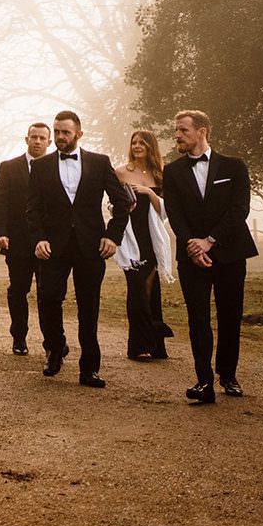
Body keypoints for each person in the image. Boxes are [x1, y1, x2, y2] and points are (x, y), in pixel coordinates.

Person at [27, 110, 129, 388]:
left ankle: (90, 368)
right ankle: (55, 349)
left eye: (65, 133)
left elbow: (122, 203)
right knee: (48, 299)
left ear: (79, 134)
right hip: (52, 246)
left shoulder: (99, 163)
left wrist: (112, 236)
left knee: (89, 306)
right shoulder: (41, 166)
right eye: (57, 132)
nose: (59, 137)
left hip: (90, 246)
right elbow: (32, 209)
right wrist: (38, 239)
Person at [162, 110, 255, 404]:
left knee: (230, 315)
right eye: (176, 130)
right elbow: (174, 214)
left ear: (202, 131)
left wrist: (210, 241)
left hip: (229, 252)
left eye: (183, 130)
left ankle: (228, 375)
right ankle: (204, 381)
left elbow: (239, 211)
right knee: (197, 318)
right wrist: (193, 245)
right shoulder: (172, 171)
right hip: (192, 256)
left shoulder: (234, 167)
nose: (177, 135)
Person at [111, 129, 174, 361]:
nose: (137, 146)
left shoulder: (160, 174)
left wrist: (149, 192)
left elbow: (167, 212)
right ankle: (138, 345)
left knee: (150, 290)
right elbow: (111, 205)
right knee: (136, 289)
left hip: (152, 238)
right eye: (134, 142)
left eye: (142, 143)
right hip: (130, 237)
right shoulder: (120, 172)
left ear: (150, 147)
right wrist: (122, 207)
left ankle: (155, 345)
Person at [0, 122, 53, 355]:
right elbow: (0, 202)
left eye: (42, 138)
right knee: (18, 289)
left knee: (49, 292)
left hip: (47, 242)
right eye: (33, 137)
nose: (37, 141)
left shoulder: (56, 167)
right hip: (17, 241)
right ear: (26, 139)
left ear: (49, 142)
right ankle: (19, 337)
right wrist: (0, 233)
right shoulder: (9, 167)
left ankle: (52, 343)